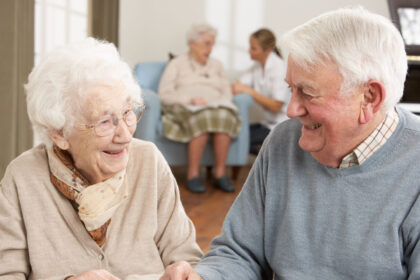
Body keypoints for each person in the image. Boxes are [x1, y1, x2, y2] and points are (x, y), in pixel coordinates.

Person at [160, 7, 420, 280]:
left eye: (307, 93)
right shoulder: (283, 141)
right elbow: (240, 253)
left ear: (369, 97)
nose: (291, 110)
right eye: (290, 89)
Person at [0, 38, 202, 280]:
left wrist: (188, 273)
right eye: (104, 121)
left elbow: (188, 259)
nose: (126, 135)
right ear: (60, 133)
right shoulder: (23, 178)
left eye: (127, 113)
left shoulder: (149, 162)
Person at [158, 24, 241, 193]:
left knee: (224, 116)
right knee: (202, 118)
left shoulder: (217, 65)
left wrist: (221, 102)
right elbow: (164, 94)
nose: (210, 49)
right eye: (206, 43)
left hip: (215, 105)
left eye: (212, 44)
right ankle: (193, 175)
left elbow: (226, 91)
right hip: (187, 106)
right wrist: (190, 100)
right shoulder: (177, 63)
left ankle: (220, 174)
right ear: (192, 44)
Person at [232, 28, 290, 154]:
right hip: (268, 124)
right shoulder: (258, 66)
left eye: (253, 48)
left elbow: (276, 106)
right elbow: (238, 85)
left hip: (283, 125)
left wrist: (249, 91)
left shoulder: (279, 68)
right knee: (233, 133)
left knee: (239, 140)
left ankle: (265, 151)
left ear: (267, 50)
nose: (249, 51)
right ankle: (264, 150)